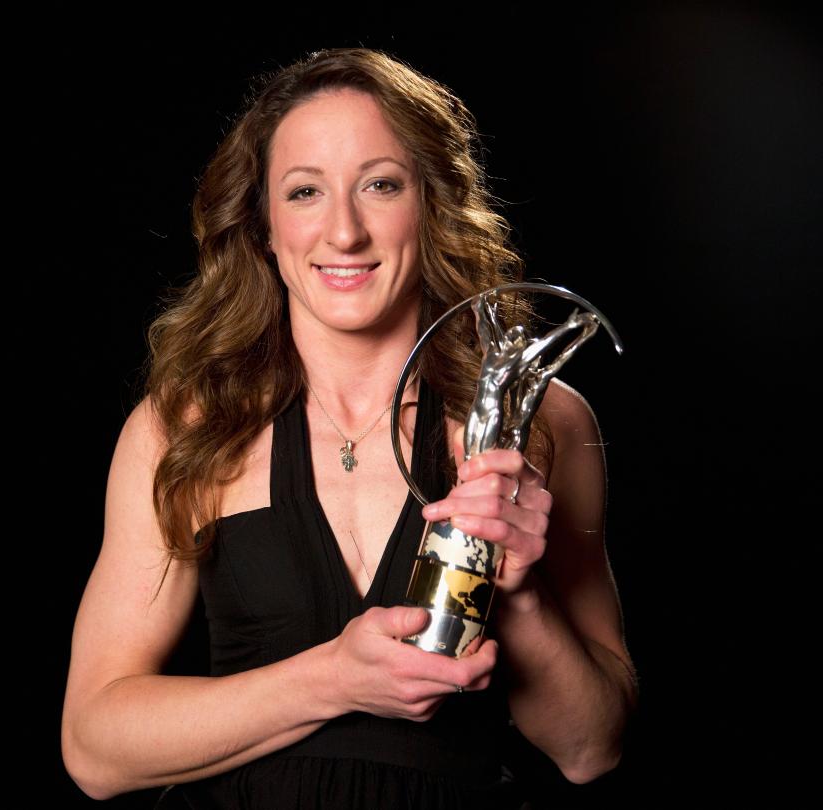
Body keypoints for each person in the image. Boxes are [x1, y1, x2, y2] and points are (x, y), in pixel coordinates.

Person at [61, 47, 637, 808]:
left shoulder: (544, 424)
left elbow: (592, 749)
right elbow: (96, 748)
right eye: (304, 192)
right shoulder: (185, 432)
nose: (344, 233)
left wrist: (522, 596)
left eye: (380, 185)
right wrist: (330, 680)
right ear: (263, 224)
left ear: (430, 203)